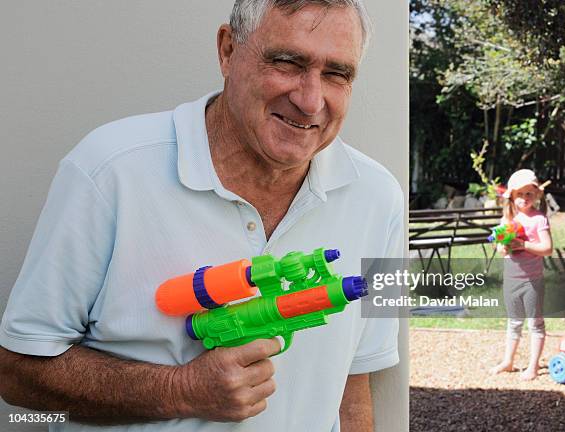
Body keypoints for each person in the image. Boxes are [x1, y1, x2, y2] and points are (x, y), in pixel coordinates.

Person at [0, 1, 403, 431]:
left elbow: (357, 384)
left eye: (337, 74)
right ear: (228, 50)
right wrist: (180, 389)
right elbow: (16, 372)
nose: (310, 100)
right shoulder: (106, 169)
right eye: (287, 62)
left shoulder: (383, 198)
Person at [490, 169, 553, 380]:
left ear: (536, 195)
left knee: (535, 323)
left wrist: (523, 244)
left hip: (532, 281)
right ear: (512, 197)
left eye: (529, 193)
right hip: (511, 279)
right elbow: (499, 247)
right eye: (520, 194)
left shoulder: (539, 219)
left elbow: (547, 248)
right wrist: (504, 247)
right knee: (514, 321)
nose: (525, 198)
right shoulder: (507, 219)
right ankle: (509, 361)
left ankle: (533, 366)